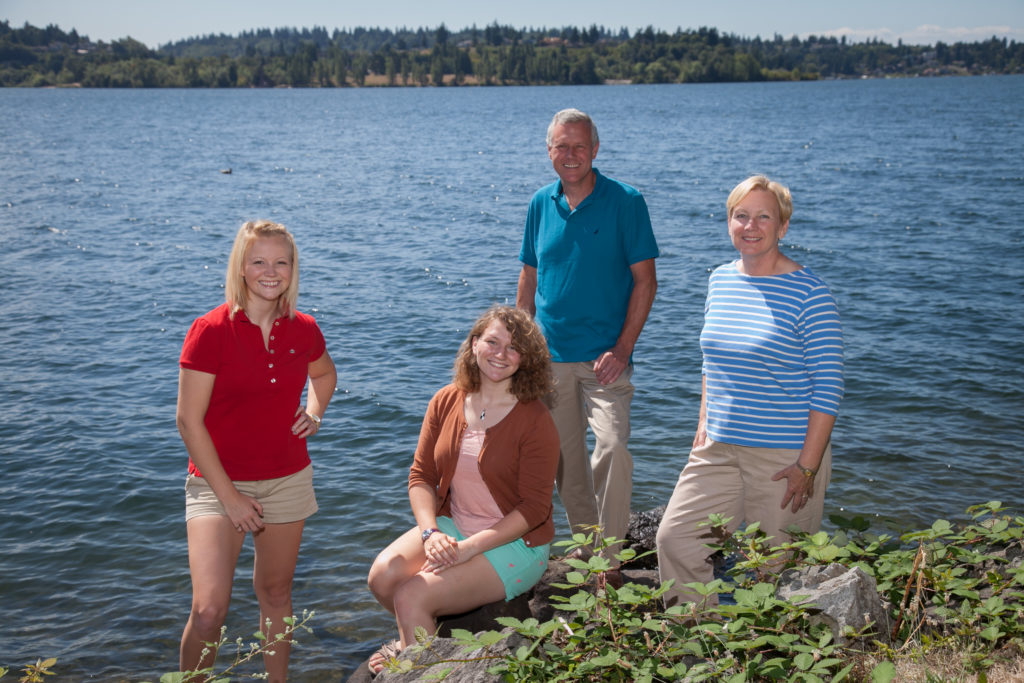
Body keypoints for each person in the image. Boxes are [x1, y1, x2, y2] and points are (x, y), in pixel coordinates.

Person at [656, 175, 844, 609]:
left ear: (784, 226)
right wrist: (703, 426)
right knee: (676, 542)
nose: (751, 225)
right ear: (729, 222)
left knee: (776, 574)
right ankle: (696, 653)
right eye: (741, 215)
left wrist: (808, 467)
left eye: (764, 216)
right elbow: (712, 362)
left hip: (784, 459)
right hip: (717, 450)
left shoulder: (810, 293)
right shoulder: (721, 281)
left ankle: (773, 667)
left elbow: (828, 386)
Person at [175, 220, 337, 681]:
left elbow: (324, 375)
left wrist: (316, 411)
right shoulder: (210, 330)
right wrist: (231, 499)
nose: (271, 271)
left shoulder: (303, 328)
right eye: (259, 261)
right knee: (209, 609)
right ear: (241, 268)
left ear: (292, 269)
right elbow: (188, 421)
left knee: (276, 593)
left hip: (287, 478)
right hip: (214, 484)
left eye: (281, 261)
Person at [366, 305, 559, 675]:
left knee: (411, 594)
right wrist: (430, 532)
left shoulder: (536, 420)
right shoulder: (446, 399)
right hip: (454, 524)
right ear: (474, 345)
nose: (501, 354)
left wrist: (469, 550)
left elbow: (535, 509)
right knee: (383, 577)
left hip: (516, 544)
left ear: (526, 359)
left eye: (514, 348)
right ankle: (415, 639)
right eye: (493, 342)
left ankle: (419, 668)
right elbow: (421, 476)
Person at [516, 108, 659, 579]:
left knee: (613, 447)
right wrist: (520, 344)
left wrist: (622, 349)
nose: (571, 155)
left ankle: (611, 560)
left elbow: (645, 282)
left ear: (595, 149)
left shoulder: (626, 202)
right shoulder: (540, 203)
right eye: (562, 146)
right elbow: (530, 277)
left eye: (579, 145)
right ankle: (588, 548)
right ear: (549, 152)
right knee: (565, 462)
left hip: (605, 361)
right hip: (550, 357)